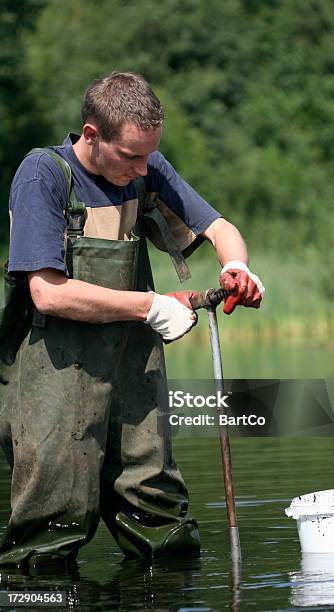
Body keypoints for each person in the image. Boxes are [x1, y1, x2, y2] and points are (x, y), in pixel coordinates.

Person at [0, 72, 264, 567]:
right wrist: (150, 305)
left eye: (149, 155)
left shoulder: (144, 167)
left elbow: (217, 226)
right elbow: (47, 293)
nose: (142, 169)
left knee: (160, 517)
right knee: (52, 527)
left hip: (132, 373)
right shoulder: (44, 175)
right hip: (53, 377)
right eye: (130, 157)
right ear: (92, 134)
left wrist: (237, 266)